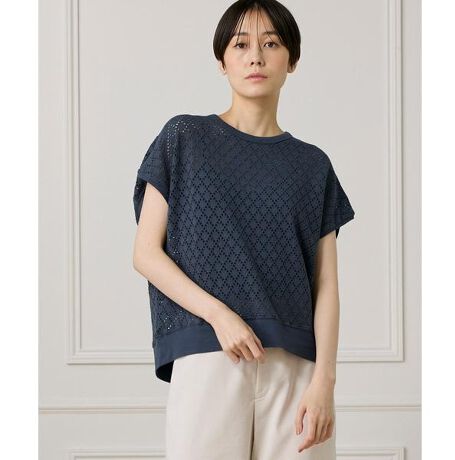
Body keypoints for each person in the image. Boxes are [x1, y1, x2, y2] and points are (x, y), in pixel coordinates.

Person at [132, 1, 356, 458]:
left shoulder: (313, 165)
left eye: (271, 44)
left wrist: (324, 382)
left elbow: (327, 285)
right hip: (210, 355)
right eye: (241, 45)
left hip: (296, 367)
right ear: (222, 61)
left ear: (292, 60)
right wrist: (220, 316)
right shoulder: (183, 139)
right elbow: (146, 254)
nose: (255, 56)